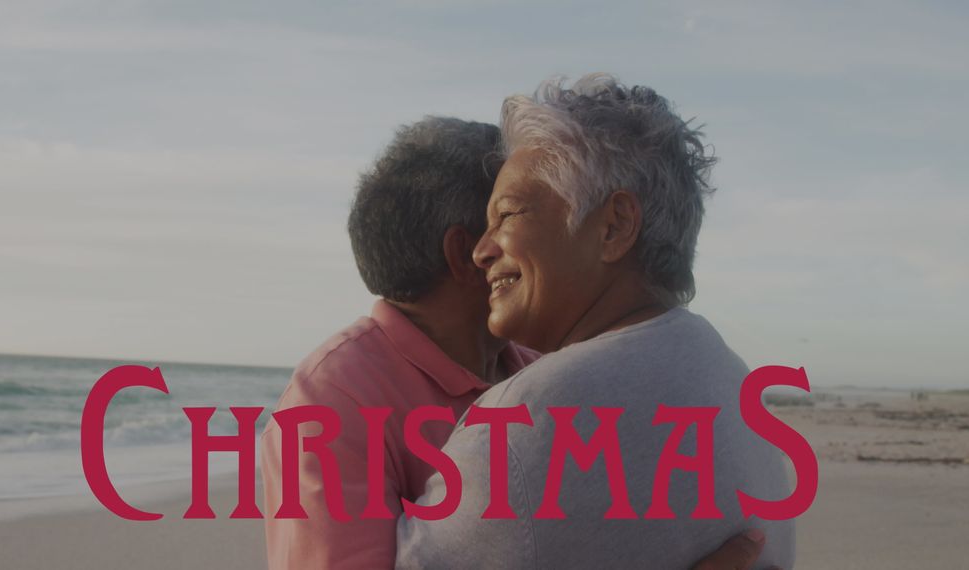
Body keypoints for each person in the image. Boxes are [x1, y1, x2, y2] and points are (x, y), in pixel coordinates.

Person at [262, 116, 772, 570]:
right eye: (498, 216)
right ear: (466, 253)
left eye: (509, 216)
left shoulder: (542, 370)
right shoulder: (332, 400)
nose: (492, 246)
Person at [395, 75, 795, 569]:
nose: (481, 250)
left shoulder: (521, 424)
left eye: (508, 214)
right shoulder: (736, 387)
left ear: (614, 226)